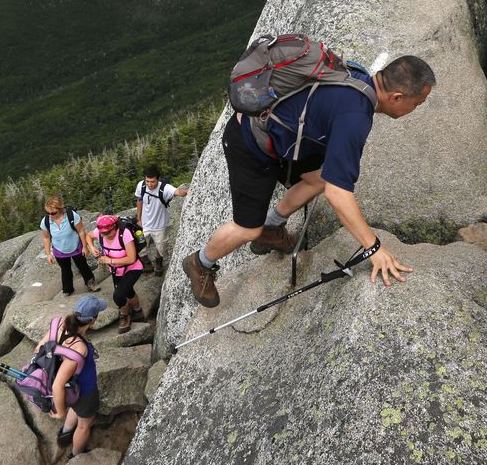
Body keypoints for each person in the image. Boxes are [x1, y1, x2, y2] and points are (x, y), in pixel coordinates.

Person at [182, 55, 436, 309]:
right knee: (248, 228)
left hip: (279, 133)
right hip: (250, 142)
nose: (416, 109)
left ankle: (271, 229)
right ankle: (200, 262)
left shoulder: (357, 76)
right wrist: (374, 248)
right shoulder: (355, 116)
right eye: (418, 103)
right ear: (397, 97)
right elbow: (338, 195)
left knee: (320, 178)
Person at [48, 295, 107, 459]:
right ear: (92, 320)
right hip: (85, 390)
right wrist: (60, 412)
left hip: (71, 389)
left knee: (75, 406)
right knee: (84, 426)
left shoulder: (58, 323)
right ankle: (75, 456)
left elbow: (40, 349)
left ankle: (65, 434)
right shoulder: (79, 348)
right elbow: (57, 385)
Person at [89, 214, 146, 332]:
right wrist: (91, 248)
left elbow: (131, 258)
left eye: (109, 232)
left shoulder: (124, 234)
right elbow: (88, 236)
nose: (106, 235)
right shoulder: (100, 232)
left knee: (118, 295)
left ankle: (125, 315)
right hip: (116, 270)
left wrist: (109, 260)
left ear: (115, 227)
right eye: (103, 233)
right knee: (128, 291)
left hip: (132, 268)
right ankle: (137, 311)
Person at [39, 197, 100, 296]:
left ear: (60, 209)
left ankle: (91, 283)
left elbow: (81, 231)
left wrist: (85, 247)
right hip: (59, 250)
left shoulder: (71, 216)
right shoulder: (46, 221)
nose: (50, 215)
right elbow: (46, 238)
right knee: (65, 269)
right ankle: (68, 289)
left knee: (83, 266)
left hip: (76, 246)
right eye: (48, 213)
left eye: (53, 213)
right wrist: (48, 254)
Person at [134, 166, 188, 275]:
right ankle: (146, 263)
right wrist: (138, 219)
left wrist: (191, 190)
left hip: (160, 226)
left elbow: (178, 192)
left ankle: (159, 261)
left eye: (152, 181)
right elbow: (139, 201)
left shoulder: (165, 188)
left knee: (161, 247)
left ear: (158, 180)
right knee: (140, 245)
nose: (149, 184)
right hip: (144, 224)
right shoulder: (141, 185)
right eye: (147, 181)